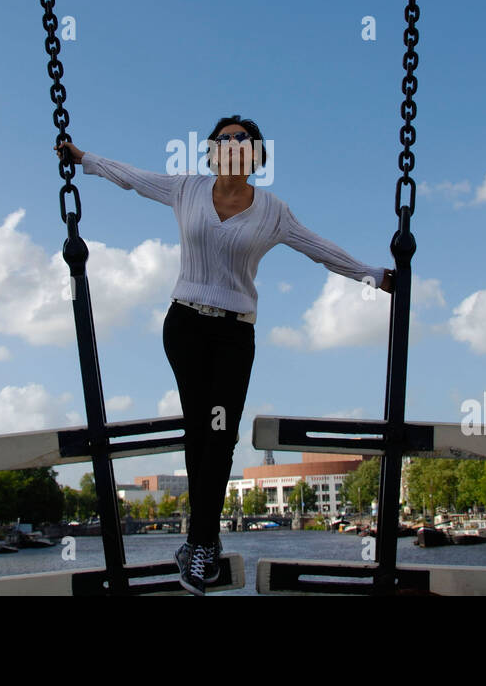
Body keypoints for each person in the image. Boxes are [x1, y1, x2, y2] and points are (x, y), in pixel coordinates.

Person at [55, 115, 394, 595]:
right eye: (223, 138)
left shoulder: (272, 211)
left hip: (234, 334)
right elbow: (131, 178)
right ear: (212, 150)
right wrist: (84, 158)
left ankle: (199, 543)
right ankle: (202, 545)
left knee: (219, 432)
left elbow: (319, 249)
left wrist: (373, 276)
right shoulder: (187, 190)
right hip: (186, 326)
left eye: (243, 138)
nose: (232, 144)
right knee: (201, 430)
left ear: (256, 155)